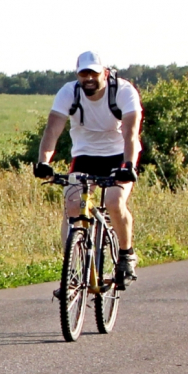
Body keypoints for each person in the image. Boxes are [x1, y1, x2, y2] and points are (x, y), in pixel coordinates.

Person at [33, 50, 141, 285]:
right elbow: (52, 130)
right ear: (77, 75)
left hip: (120, 155)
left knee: (114, 202)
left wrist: (129, 165)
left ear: (105, 72)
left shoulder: (123, 91)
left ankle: (126, 253)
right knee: (72, 204)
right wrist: (44, 162)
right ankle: (72, 268)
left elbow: (131, 133)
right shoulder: (69, 92)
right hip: (84, 155)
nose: (88, 78)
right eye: (83, 74)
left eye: (93, 73)